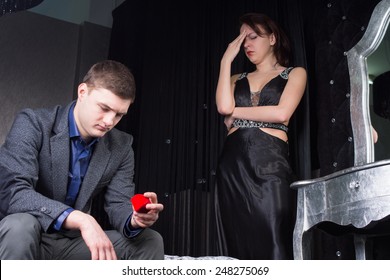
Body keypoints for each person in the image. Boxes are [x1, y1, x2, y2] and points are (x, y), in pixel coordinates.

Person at [0, 60, 164, 260]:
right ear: (82, 92)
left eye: (119, 115)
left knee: (150, 240)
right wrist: (81, 219)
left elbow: (118, 203)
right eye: (104, 108)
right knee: (20, 226)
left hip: (69, 243)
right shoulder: (33, 123)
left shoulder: (121, 146)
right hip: (25, 235)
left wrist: (135, 219)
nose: (109, 122)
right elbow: (13, 192)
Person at [214, 13, 307, 259]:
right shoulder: (235, 78)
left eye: (253, 37)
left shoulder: (295, 74)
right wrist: (226, 60)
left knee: (275, 241)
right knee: (237, 249)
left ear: (273, 38)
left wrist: (237, 112)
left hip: (270, 164)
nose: (246, 44)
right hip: (232, 168)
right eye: (242, 39)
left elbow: (282, 113)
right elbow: (223, 108)